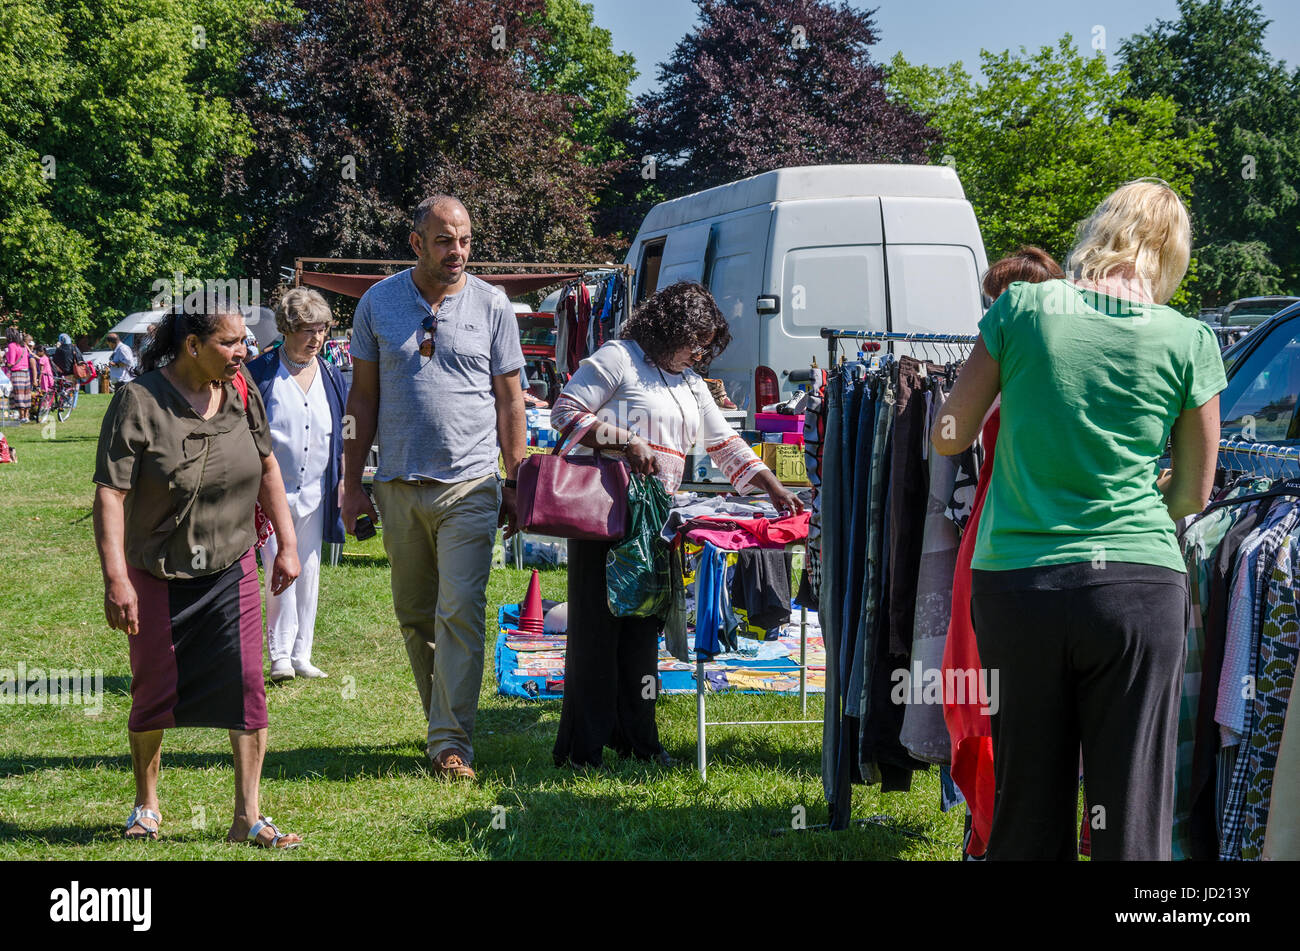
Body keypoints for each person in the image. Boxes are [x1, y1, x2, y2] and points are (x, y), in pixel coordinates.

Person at [932, 179, 1227, 860]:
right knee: (1131, 814)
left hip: (1019, 584)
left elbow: (950, 436)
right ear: (1171, 256)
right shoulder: (1189, 338)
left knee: (1026, 809)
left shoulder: (1023, 308)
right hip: (1137, 587)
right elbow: (1193, 493)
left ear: (1099, 230)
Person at [549, 281, 804, 769]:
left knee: (643, 630)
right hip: (605, 516)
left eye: (706, 346)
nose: (699, 353)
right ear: (666, 329)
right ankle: (583, 750)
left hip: (656, 522)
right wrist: (625, 441)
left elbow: (725, 443)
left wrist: (772, 485)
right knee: (596, 630)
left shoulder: (690, 383)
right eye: (693, 342)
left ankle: (638, 740)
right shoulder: (618, 357)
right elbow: (565, 412)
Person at [93, 307, 304, 848]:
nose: (243, 352)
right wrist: (116, 578)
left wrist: (287, 544)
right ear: (192, 345)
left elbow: (268, 465)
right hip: (158, 571)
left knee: (248, 687)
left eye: (244, 342)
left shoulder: (241, 390)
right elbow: (110, 493)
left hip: (232, 565)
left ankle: (247, 817)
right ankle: (146, 805)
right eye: (230, 343)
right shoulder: (138, 401)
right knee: (152, 689)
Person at [341, 194, 526, 781]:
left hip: (470, 484)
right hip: (397, 483)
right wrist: (351, 483)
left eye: (465, 240)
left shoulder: (492, 304)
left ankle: (451, 745)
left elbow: (511, 400)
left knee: (461, 612)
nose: (458, 252)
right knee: (416, 616)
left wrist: (516, 478)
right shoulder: (378, 302)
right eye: (445, 240)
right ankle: (440, 723)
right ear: (417, 243)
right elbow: (362, 399)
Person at [247, 288, 346, 681]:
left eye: (322, 329)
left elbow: (343, 432)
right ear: (287, 329)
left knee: (309, 569)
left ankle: (302, 653)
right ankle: (280, 655)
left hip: (317, 491)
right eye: (308, 329)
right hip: (271, 494)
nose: (316, 338)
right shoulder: (260, 373)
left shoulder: (331, 375)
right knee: (279, 567)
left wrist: (343, 478)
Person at [4, 328, 30, 422]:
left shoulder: (11, 345)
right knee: (26, 394)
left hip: (17, 373)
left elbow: (11, 362)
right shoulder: (23, 345)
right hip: (26, 372)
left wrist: (5, 362)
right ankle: (26, 416)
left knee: (18, 395)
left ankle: (21, 417)